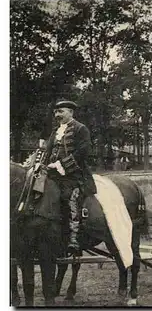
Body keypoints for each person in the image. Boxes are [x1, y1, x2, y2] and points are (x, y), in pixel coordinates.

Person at [42, 100, 97, 254]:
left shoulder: (81, 129)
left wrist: (61, 164)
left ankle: (73, 237)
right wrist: (41, 164)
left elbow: (83, 152)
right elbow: (47, 152)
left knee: (69, 198)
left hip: (74, 174)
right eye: (56, 112)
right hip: (53, 173)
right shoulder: (55, 131)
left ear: (71, 113)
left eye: (61, 111)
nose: (57, 115)